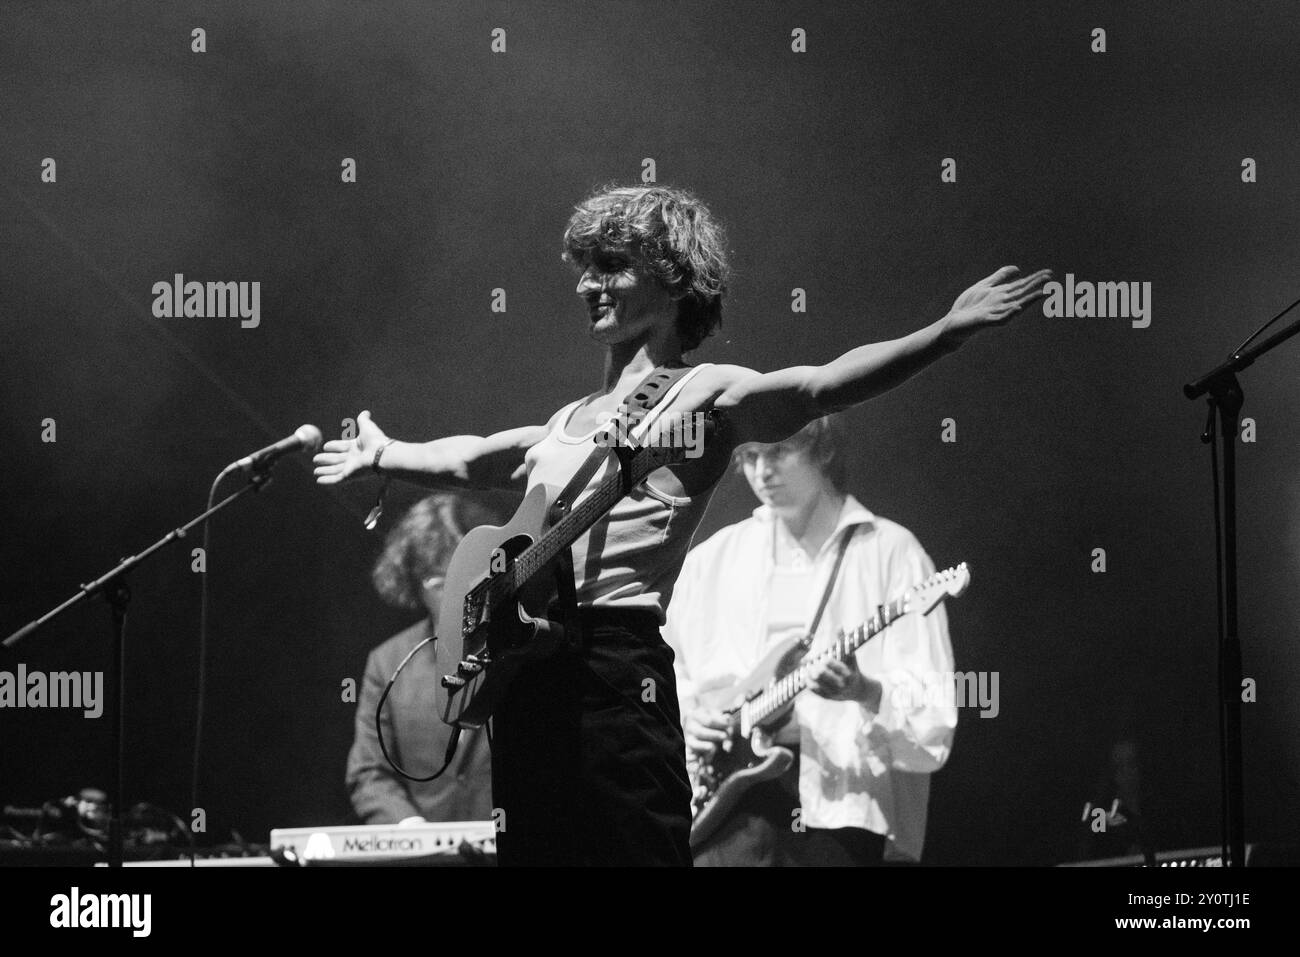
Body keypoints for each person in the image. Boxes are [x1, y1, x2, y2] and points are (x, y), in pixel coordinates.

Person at [314, 183, 1049, 865]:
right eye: (583, 266)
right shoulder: (565, 422)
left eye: (610, 264)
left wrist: (945, 333)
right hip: (528, 681)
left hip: (613, 669)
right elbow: (471, 456)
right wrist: (388, 453)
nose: (586, 283)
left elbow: (823, 383)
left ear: (670, 279)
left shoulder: (704, 394)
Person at [663, 416, 956, 865]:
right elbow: (666, 674)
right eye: (750, 457)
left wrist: (864, 690)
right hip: (723, 811)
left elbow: (933, 712)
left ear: (823, 450)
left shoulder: (892, 552)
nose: (762, 471)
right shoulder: (710, 561)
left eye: (778, 452)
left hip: (840, 809)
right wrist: (688, 721)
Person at [346, 494, 500, 826]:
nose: (459, 595)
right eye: (440, 584)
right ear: (416, 585)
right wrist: (409, 829)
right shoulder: (386, 662)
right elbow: (369, 773)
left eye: (469, 579)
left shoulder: (527, 646)